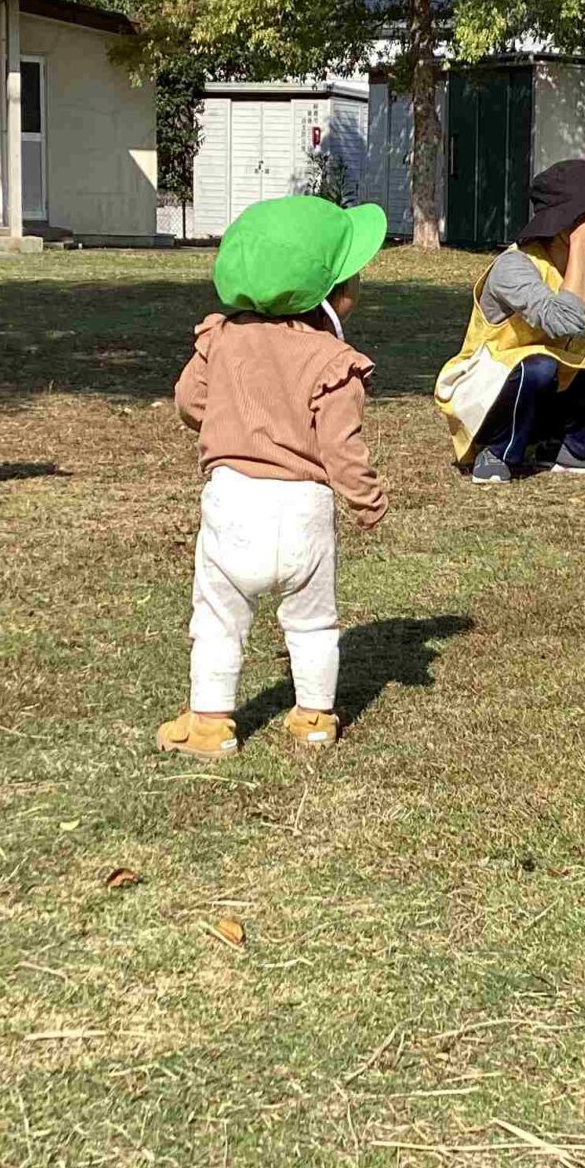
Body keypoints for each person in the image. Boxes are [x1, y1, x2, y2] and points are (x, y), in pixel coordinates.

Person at [157, 195, 388, 760]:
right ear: (335, 296)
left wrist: (228, 420)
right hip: (305, 509)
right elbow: (341, 447)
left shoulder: (222, 339)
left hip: (232, 502)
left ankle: (210, 723)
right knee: (312, 624)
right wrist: (366, 499)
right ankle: (313, 717)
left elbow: (190, 401)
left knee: (217, 619)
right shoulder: (334, 362)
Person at [435, 158, 585, 485]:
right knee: (539, 365)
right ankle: (497, 450)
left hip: (544, 383)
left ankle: (567, 448)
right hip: (485, 389)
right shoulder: (514, 266)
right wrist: (577, 247)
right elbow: (563, 322)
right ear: (561, 222)